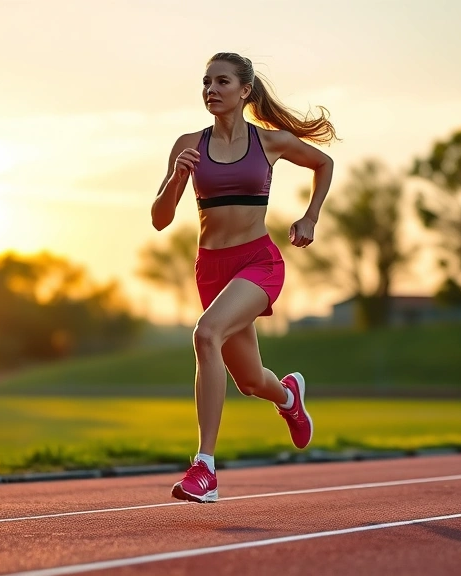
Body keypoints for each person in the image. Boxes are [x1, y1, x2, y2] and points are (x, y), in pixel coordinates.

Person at [150, 52, 338, 503]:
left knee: (205, 335)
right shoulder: (187, 144)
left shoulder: (270, 143)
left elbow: (323, 164)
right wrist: (177, 179)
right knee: (251, 381)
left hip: (259, 262)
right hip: (211, 270)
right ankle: (288, 396)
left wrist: (310, 217)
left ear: (244, 91)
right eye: (206, 82)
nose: (211, 90)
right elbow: (159, 220)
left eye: (222, 82)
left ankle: (205, 469)